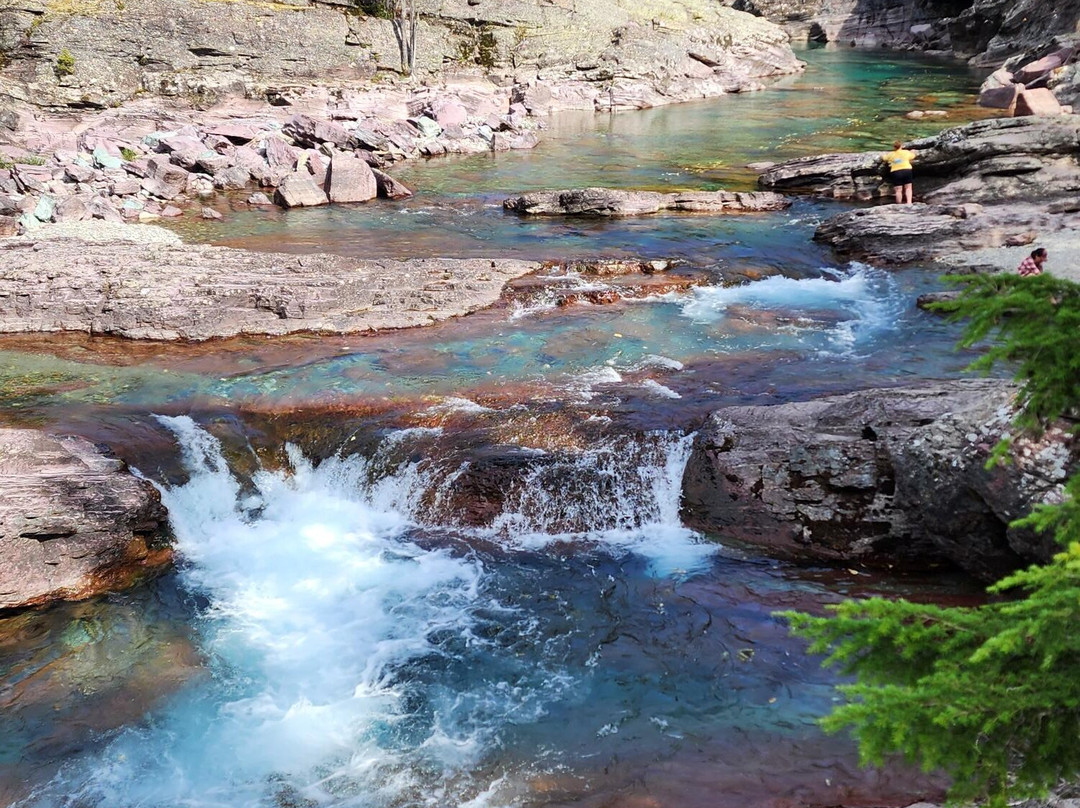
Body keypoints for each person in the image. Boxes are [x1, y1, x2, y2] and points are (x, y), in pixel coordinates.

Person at [882, 140, 916, 204]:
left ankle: (899, 204)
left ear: (894, 147)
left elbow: (884, 158)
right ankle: (909, 203)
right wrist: (912, 152)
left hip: (896, 172)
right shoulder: (906, 152)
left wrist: (884, 154)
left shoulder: (891, 154)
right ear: (901, 146)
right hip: (907, 170)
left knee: (898, 190)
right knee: (908, 187)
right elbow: (913, 156)